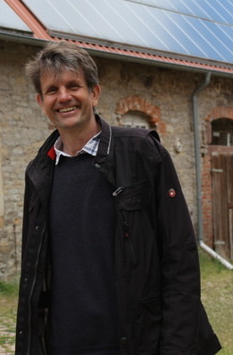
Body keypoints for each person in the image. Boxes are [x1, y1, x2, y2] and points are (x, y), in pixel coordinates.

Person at [15, 41, 221, 355]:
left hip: (134, 343)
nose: (64, 97)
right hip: (63, 344)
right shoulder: (40, 172)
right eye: (52, 90)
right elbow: (33, 273)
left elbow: (179, 259)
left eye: (74, 86)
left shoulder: (141, 153)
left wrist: (176, 348)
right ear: (41, 101)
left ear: (94, 93)